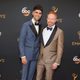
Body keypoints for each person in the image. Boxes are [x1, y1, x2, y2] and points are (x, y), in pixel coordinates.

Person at [36, 9, 64, 80]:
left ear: (55, 20)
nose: (50, 20)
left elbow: (60, 48)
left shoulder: (59, 32)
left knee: (48, 78)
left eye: (52, 19)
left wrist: (57, 62)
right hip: (40, 59)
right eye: (49, 18)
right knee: (37, 77)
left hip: (51, 60)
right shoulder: (43, 29)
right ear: (46, 19)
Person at [19, 5, 43, 80]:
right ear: (32, 13)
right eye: (36, 12)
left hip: (35, 55)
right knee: (24, 75)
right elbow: (21, 42)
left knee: (31, 75)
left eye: (40, 13)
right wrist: (23, 56)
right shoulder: (26, 25)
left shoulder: (40, 25)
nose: (38, 14)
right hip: (26, 55)